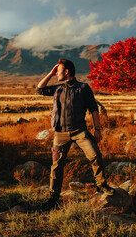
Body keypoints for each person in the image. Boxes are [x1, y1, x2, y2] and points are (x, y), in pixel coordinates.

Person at [36, 59, 114, 211]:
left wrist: (97, 128)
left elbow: (93, 109)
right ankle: (53, 198)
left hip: (80, 131)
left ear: (66, 72)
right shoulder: (57, 88)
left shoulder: (83, 88)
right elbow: (39, 89)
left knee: (95, 155)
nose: (56, 73)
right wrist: (51, 74)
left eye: (58, 71)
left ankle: (101, 185)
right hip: (60, 133)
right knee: (57, 166)